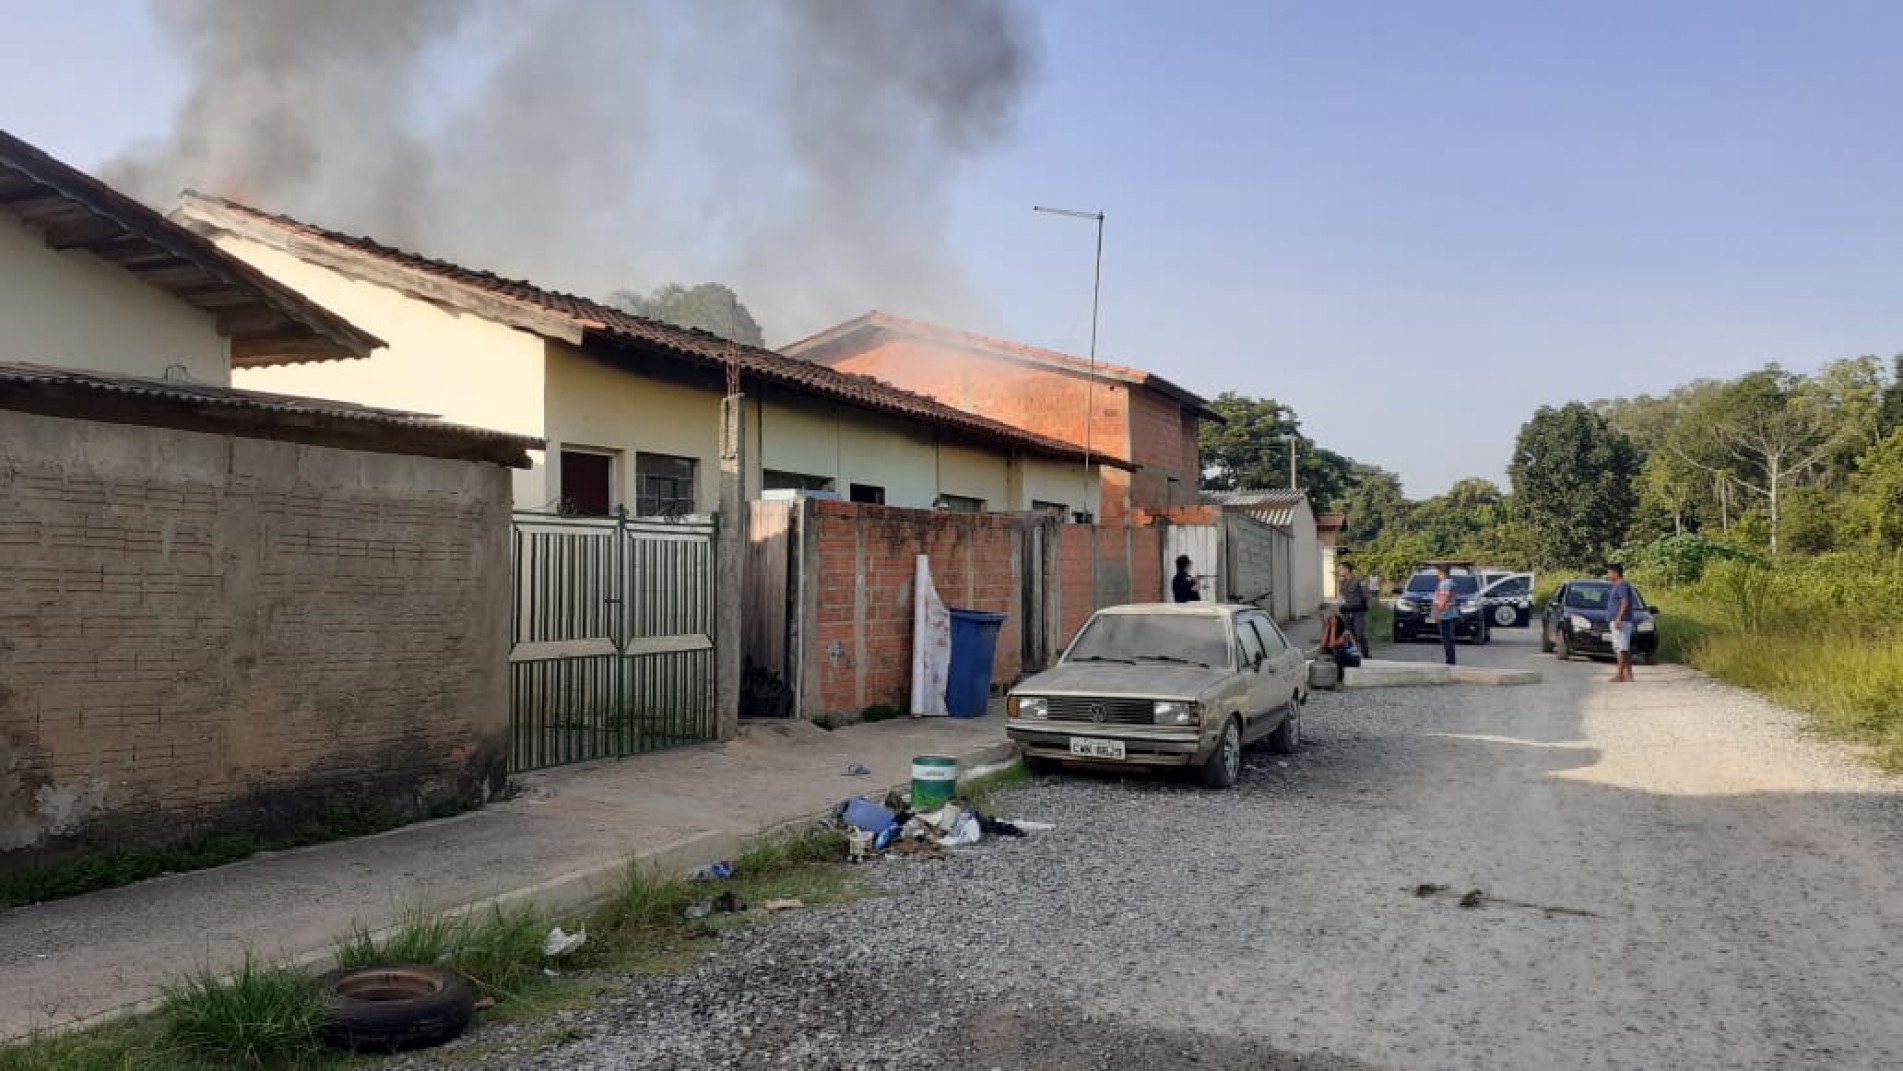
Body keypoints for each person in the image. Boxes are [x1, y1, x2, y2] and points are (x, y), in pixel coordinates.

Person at [1606, 562, 1638, 683]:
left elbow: (1625, 602)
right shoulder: (1617, 585)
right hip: (1621, 621)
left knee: (1621, 648)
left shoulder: (1621, 585)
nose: (1608, 575)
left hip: (1622, 621)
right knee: (1624, 647)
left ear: (1615, 573)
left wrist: (1619, 618)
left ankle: (1620, 675)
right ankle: (1628, 673)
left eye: (1609, 572)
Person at [1336, 561, 1373, 658]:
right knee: (1347, 634)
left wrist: (1364, 605)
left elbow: (1367, 594)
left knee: (1359, 634)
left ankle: (1366, 654)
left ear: (1347, 570)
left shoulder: (1358, 581)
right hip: (1347, 612)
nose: (1339, 571)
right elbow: (1341, 596)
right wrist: (1340, 606)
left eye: (1340, 569)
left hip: (1357, 611)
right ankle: (1351, 654)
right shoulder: (1342, 582)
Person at [1432, 563, 1459, 665]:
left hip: (1445, 614)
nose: (1437, 575)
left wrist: (1437, 613)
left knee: (1446, 637)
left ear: (1442, 573)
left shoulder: (1445, 584)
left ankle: (1450, 660)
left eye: (1438, 573)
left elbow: (1443, 599)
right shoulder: (1450, 582)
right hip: (1449, 613)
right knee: (1448, 637)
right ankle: (1450, 658)